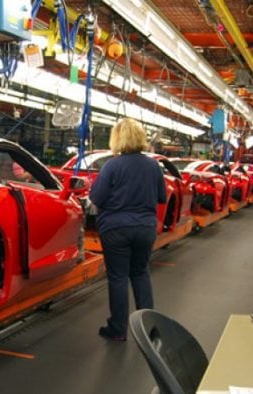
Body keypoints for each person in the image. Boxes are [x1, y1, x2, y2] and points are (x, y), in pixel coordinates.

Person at [89, 118, 166, 341]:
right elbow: (161, 197)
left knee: (118, 277)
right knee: (141, 273)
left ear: (117, 139)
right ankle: (150, 328)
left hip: (115, 228)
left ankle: (118, 329)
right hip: (145, 227)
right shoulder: (153, 165)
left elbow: (96, 197)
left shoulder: (112, 166)